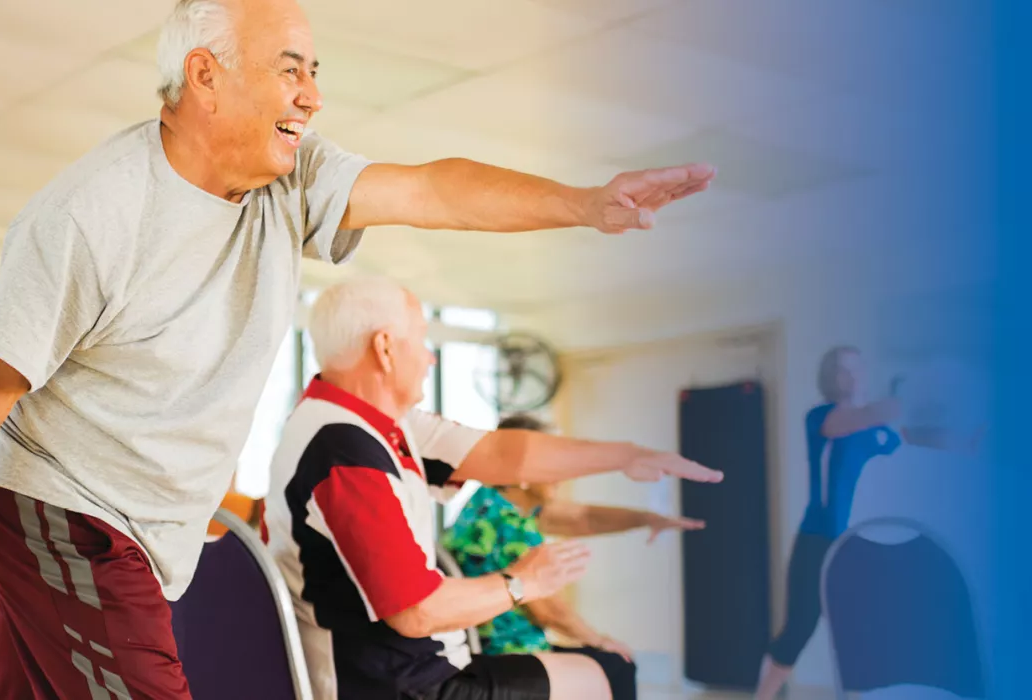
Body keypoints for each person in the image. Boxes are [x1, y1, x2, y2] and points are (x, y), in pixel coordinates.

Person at [0, 0, 717, 696]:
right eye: (289, 69)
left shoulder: (290, 181)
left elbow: (429, 187)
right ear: (205, 77)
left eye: (315, 71)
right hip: (64, 511)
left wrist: (585, 202)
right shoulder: (90, 216)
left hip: (141, 530)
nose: (313, 94)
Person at [267, 277, 720, 700]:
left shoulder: (368, 423)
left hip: (415, 664)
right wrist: (524, 581)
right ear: (384, 348)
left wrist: (627, 456)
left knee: (600, 668)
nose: (431, 358)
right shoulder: (344, 451)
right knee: (613, 673)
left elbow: (509, 456)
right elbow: (415, 612)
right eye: (422, 340)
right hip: (399, 684)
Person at [440, 414, 707, 700]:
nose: (563, 473)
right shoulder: (508, 524)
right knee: (616, 665)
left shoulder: (492, 503)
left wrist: (648, 519)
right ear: (526, 470)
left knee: (605, 662)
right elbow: (548, 610)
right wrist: (600, 641)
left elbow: (585, 517)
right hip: (504, 651)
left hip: (492, 643)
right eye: (553, 461)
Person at [754, 346, 903, 699]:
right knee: (799, 628)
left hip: (863, 545)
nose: (850, 376)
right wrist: (897, 403)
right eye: (841, 370)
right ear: (829, 378)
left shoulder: (884, 433)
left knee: (861, 633)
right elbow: (845, 424)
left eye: (855, 369)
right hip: (817, 541)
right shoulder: (821, 418)